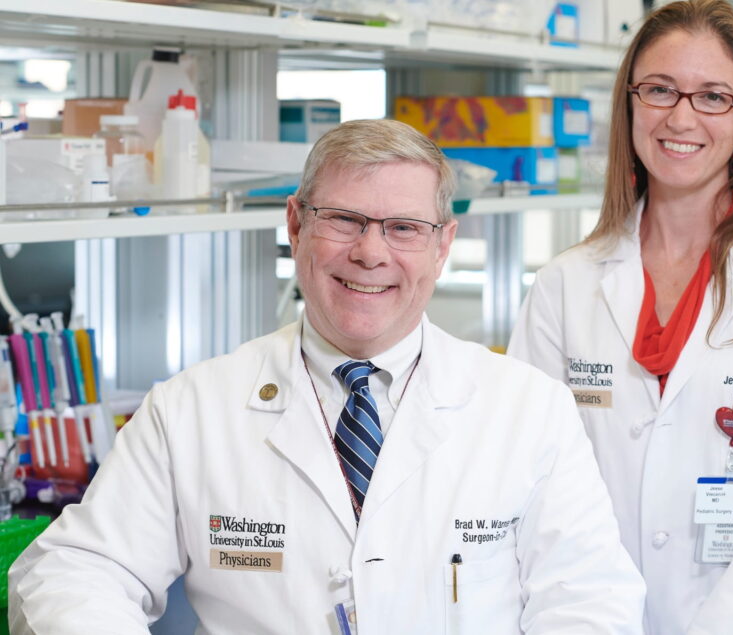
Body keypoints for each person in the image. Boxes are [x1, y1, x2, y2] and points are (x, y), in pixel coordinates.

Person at [9, 119, 645, 634]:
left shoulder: (529, 410)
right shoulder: (192, 409)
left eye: (404, 228)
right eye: (344, 219)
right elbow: (75, 570)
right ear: (296, 223)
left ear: (443, 245)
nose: (371, 252)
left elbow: (589, 601)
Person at [508, 0, 733, 634]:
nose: (681, 115)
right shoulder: (565, 286)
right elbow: (524, 488)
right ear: (629, 103)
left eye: (712, 97)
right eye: (659, 89)